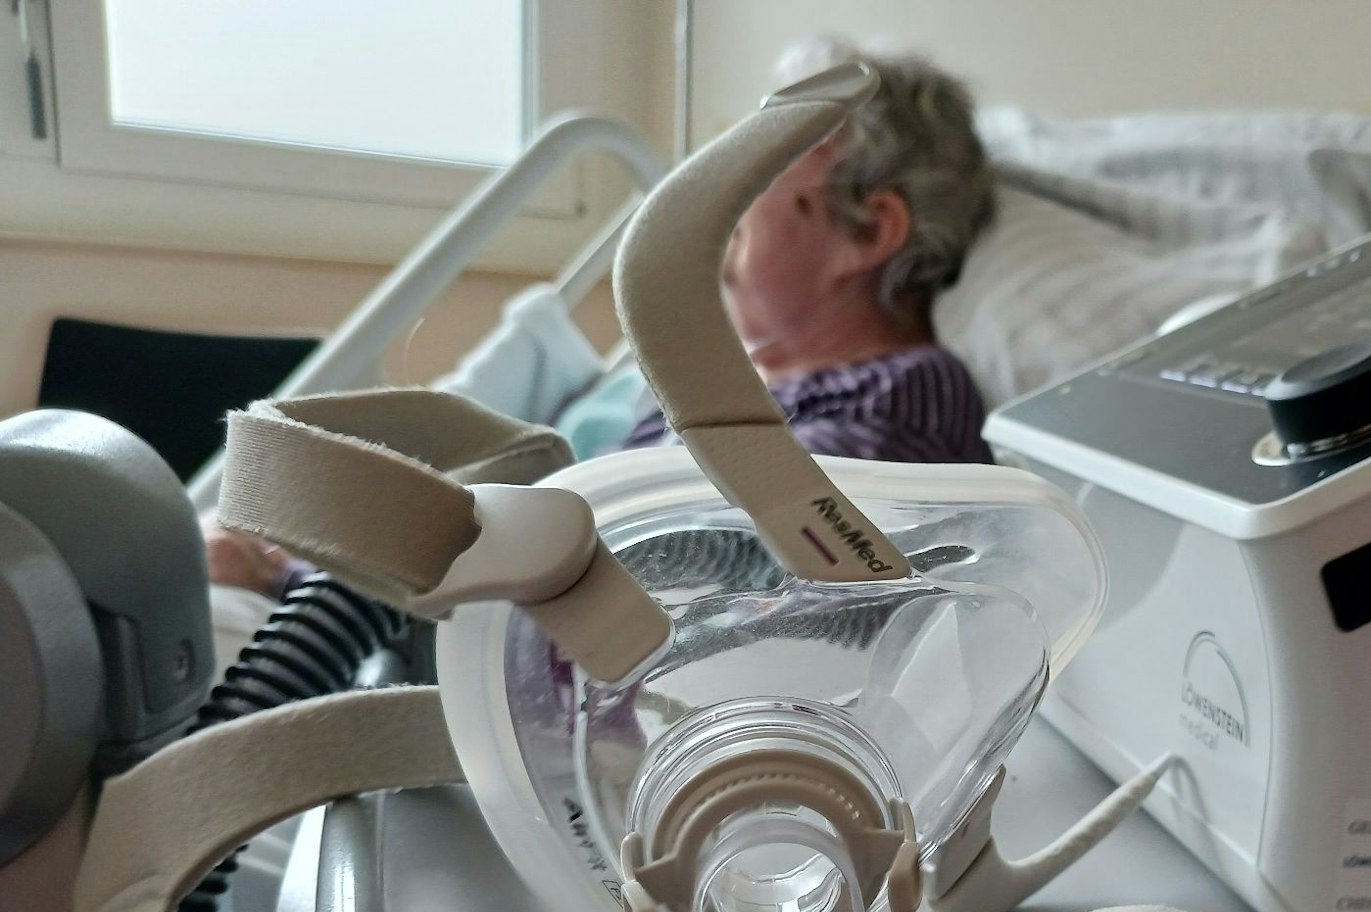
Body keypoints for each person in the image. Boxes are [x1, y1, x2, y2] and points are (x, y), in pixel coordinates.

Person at [206, 40, 998, 601]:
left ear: (868, 232)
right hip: (459, 611)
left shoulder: (908, 392)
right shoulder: (692, 383)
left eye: (760, 160)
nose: (713, 182)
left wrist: (310, 568)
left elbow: (716, 562)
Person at [622, 39, 996, 463]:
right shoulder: (705, 379)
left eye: (775, 147)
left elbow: (749, 524)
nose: (731, 167)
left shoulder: (907, 393)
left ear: (867, 232)